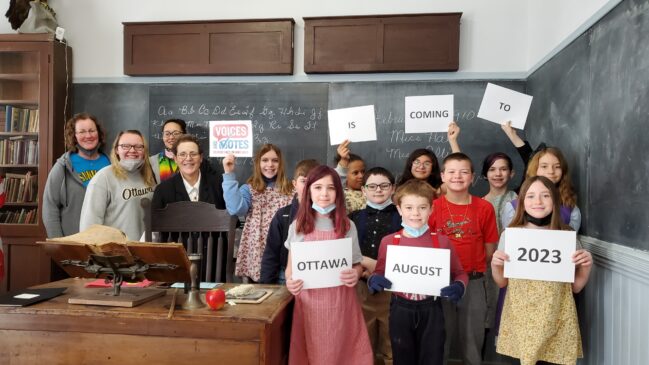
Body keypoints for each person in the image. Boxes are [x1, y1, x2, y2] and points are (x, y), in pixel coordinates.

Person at [491, 176, 592, 365]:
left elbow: (575, 287)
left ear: (554, 201)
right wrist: (495, 265)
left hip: (556, 317)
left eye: (545, 196)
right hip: (521, 318)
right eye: (530, 196)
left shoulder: (567, 236)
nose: (537, 201)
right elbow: (502, 281)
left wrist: (586, 267)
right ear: (522, 202)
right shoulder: (511, 235)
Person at [367, 179, 468, 365]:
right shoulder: (389, 241)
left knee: (432, 357)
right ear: (399, 209)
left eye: (422, 208)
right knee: (402, 357)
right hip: (400, 308)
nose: (415, 213)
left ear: (431, 209)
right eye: (409, 207)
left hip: (432, 309)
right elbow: (380, 271)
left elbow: (460, 273)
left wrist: (459, 286)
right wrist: (374, 280)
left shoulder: (442, 242)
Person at [284, 165, 373, 364]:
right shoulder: (297, 226)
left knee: (344, 353)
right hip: (309, 305)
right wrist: (290, 282)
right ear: (308, 191)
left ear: (338, 193)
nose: (324, 193)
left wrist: (356, 273)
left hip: (341, 304)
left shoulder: (348, 226)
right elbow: (290, 270)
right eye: (318, 187)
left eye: (331, 188)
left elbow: (357, 264)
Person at [428, 152, 499, 365]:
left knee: (473, 340)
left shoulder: (484, 207)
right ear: (442, 176)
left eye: (464, 172)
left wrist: (468, 268)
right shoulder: (432, 207)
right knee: (440, 338)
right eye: (451, 172)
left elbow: (489, 250)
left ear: (472, 177)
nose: (457, 176)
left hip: (473, 281)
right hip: (438, 282)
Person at [151, 134, 227, 279]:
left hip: (214, 267)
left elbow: (232, 221)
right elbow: (155, 233)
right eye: (183, 154)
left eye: (193, 154)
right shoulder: (163, 190)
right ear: (175, 158)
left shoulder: (218, 185)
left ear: (201, 157)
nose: (188, 159)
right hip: (176, 268)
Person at [349, 167, 402, 365]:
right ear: (363, 190)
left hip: (394, 290)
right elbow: (347, 250)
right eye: (372, 186)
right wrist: (363, 264)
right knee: (363, 342)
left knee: (392, 344)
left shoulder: (403, 217)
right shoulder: (353, 217)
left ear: (393, 188)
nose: (378, 190)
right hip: (361, 289)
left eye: (384, 185)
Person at [222, 143, 294, 282]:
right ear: (257, 163)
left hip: (284, 248)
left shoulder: (291, 189)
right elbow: (236, 209)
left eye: (275, 160)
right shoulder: (249, 189)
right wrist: (229, 173)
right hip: (258, 248)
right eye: (265, 160)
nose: (270, 164)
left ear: (281, 163)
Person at [43, 112, 110, 238]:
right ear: (74, 136)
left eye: (92, 130)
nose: (88, 135)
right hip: (73, 244)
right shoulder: (62, 167)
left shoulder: (111, 164)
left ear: (99, 133)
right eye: (82, 132)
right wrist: (58, 243)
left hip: (107, 243)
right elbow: (50, 207)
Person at [79, 130, 156, 240]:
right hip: (116, 253)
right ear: (116, 150)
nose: (132, 150)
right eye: (125, 146)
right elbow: (89, 225)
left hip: (146, 250)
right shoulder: (103, 178)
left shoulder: (150, 176)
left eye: (139, 146)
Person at [260, 159, 319, 284]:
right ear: (294, 184)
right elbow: (271, 253)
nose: (308, 186)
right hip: (286, 275)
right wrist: (266, 286)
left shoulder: (328, 216)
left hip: (318, 274)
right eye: (303, 181)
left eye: (314, 182)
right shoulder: (283, 216)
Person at [501, 147, 581, 231]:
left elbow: (570, 241)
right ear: (535, 169)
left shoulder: (571, 210)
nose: (551, 171)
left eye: (557, 167)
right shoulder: (513, 207)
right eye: (544, 166)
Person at [335, 139, 367, 213]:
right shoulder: (340, 194)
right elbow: (338, 176)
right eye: (355, 173)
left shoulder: (371, 192)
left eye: (363, 171)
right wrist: (344, 160)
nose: (361, 176)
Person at [150, 118, 185, 183]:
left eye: (176, 133)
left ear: (184, 135)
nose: (171, 137)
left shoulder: (192, 160)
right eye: (167, 133)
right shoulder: (152, 161)